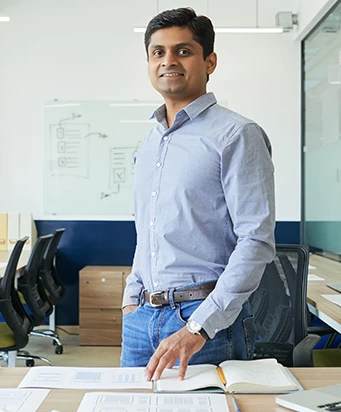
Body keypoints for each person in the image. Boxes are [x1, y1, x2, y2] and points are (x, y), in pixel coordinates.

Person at [121, 7, 276, 382]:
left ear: (210, 61)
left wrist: (198, 328)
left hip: (204, 323)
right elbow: (148, 231)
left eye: (183, 51)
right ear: (148, 64)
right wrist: (131, 299)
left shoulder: (237, 134)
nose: (168, 61)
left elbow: (255, 239)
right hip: (141, 319)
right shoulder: (150, 141)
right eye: (158, 52)